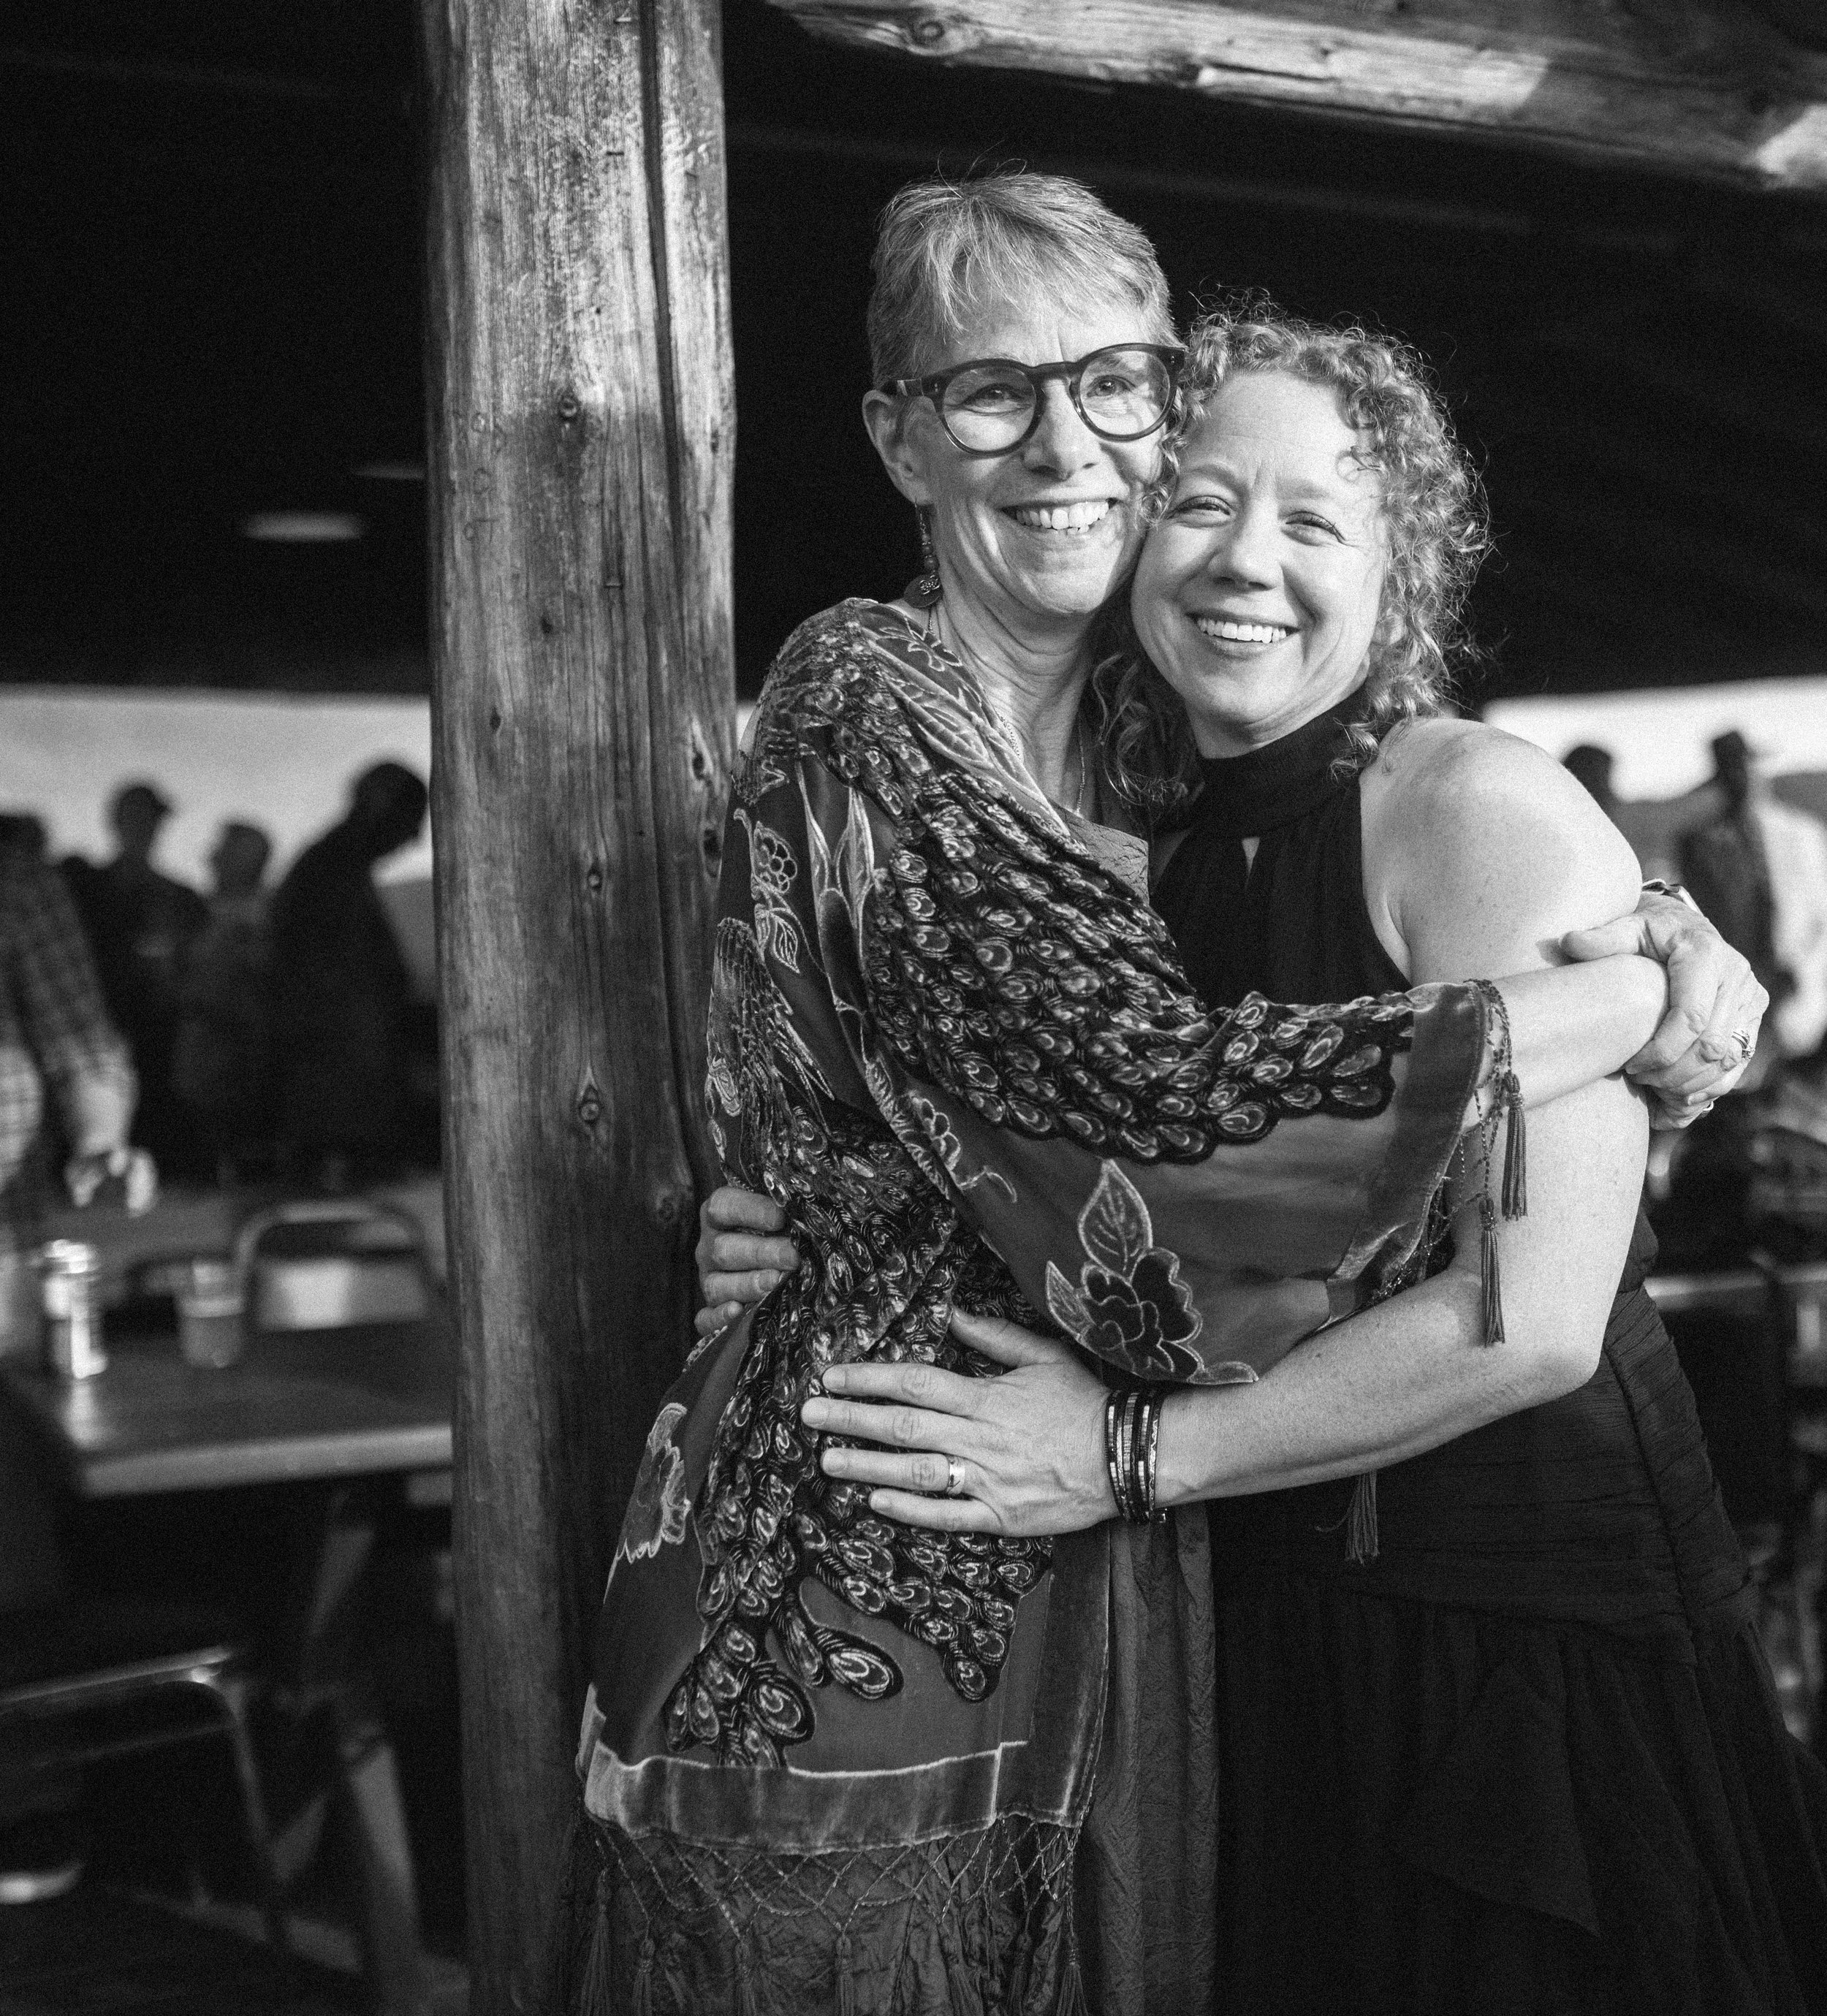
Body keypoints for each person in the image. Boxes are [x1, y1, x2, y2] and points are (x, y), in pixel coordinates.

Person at [574, 176, 1764, 2016]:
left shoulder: (1155, 740)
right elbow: (1150, 1133)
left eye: (1115, 389)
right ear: (900, 436)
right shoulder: (871, 692)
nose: (1065, 442)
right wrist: (1623, 987)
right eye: (989, 393)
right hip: (894, 1527)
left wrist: (1648, 907)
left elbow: (1393, 925)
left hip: (1172, 1531)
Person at [0, 818, 155, 1899]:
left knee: (7, 1501)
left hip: (0, 1232)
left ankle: (26, 1789)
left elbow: (78, 1040)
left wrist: (100, 1140)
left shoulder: (14, 872)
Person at [268, 763, 427, 1187]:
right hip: (337, 1098)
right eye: (410, 820)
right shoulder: (327, 876)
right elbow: (334, 990)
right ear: (378, 810)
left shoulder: (334, 870)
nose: (414, 839)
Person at [61, 780, 207, 1174]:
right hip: (90, 1045)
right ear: (117, 822)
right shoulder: (82, 890)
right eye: (137, 818)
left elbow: (197, 976)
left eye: (152, 820)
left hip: (163, 1051)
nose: (146, 829)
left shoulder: (181, 899)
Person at [1684, 729, 1827, 1063]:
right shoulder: (1699, 844)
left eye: (1747, 766)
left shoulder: (1804, 833)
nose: (1743, 778)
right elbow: (1701, 920)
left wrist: (1805, 968)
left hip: (1804, 988)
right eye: (1731, 770)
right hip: (1741, 991)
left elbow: (1821, 911)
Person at [172, 820, 276, 1184]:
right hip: (205, 1050)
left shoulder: (257, 917)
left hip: (235, 1054)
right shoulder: (207, 912)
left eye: (223, 851)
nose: (209, 858)